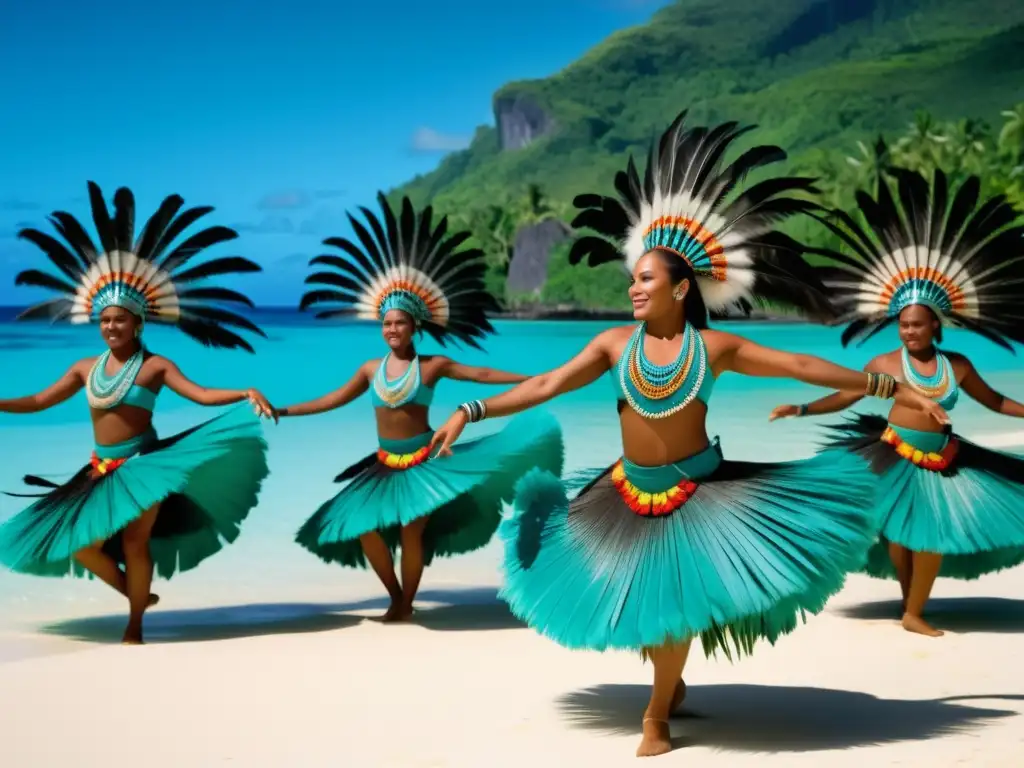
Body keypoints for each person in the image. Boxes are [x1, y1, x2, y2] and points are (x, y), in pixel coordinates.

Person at [427, 112, 948, 758]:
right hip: (625, 493)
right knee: (649, 609)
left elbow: (800, 365)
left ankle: (655, 715)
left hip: (698, 492)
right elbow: (542, 386)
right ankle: (668, 686)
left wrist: (892, 387)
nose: (633, 287)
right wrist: (469, 412)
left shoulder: (714, 346)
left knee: (671, 605)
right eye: (633, 278)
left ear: (680, 286)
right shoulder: (615, 344)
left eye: (645, 279)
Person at [0, 182, 275, 645]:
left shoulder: (154, 366)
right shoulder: (84, 368)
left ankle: (134, 628)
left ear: (138, 323)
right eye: (105, 319)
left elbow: (202, 394)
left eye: (120, 320)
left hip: (144, 465)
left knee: (134, 541)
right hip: (98, 468)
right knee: (79, 543)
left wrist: (243, 391)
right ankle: (136, 595)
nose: (111, 326)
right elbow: (39, 401)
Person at [274, 192, 563, 622]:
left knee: (413, 534)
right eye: (386, 323)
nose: (392, 329)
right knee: (366, 530)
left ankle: (404, 604)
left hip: (425, 459)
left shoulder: (432, 366)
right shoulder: (370, 369)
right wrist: (285, 411)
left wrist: (535, 381)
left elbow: (481, 376)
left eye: (400, 323)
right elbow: (332, 399)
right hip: (383, 464)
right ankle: (394, 593)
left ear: (415, 327)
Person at [770, 167, 1024, 638]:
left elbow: (994, 401)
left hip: (942, 457)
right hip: (890, 454)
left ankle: (913, 610)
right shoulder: (885, 364)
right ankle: (911, 604)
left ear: (935, 327)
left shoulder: (959, 365)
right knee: (901, 537)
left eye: (917, 325)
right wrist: (801, 409)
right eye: (903, 324)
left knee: (928, 536)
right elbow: (845, 395)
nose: (909, 331)